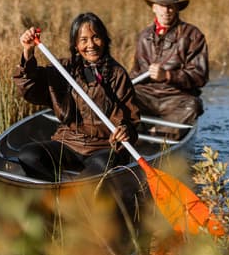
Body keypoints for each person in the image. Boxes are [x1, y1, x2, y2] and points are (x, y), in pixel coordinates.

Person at [14, 12, 139, 181]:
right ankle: (54, 192)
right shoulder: (63, 69)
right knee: (28, 155)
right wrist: (28, 51)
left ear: (105, 40)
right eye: (83, 40)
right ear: (75, 45)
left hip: (103, 148)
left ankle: (75, 197)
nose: (91, 45)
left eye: (96, 37)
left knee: (102, 166)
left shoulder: (118, 74)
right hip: (69, 142)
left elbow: (131, 120)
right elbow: (29, 88)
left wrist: (124, 130)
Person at [130, 0, 209, 129]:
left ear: (177, 9)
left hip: (176, 98)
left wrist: (167, 75)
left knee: (193, 106)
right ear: (154, 8)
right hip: (146, 95)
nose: (166, 11)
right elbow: (135, 73)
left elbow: (200, 76)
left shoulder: (193, 35)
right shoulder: (143, 36)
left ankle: (157, 134)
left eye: (170, 7)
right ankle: (134, 133)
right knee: (120, 97)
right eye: (162, 6)